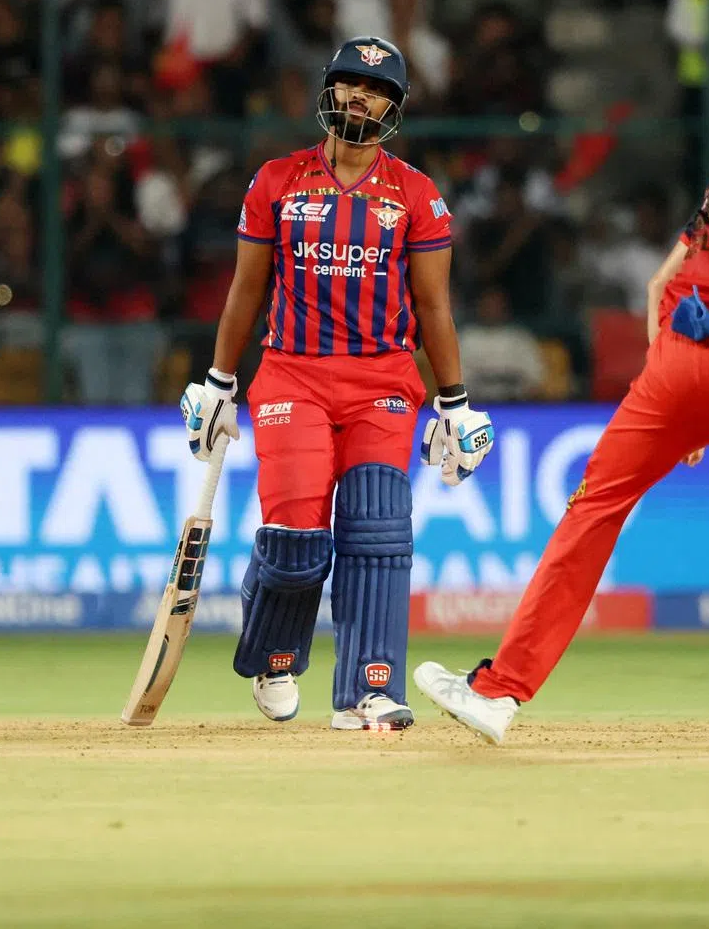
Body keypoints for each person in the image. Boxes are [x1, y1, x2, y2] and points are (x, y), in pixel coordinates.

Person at [414, 44, 709, 744]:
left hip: (681, 358)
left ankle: (498, 693)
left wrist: (678, 388)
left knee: (592, 513)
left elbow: (660, 282)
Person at [180, 36, 494, 730]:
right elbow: (245, 290)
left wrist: (455, 402)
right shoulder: (275, 181)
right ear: (327, 90)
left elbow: (435, 307)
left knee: (380, 531)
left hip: (383, 379)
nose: (361, 95)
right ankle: (274, 652)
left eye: (376, 88)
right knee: (295, 540)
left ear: (394, 107)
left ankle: (368, 691)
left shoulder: (416, 194)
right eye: (350, 82)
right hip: (292, 374)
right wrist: (218, 381)